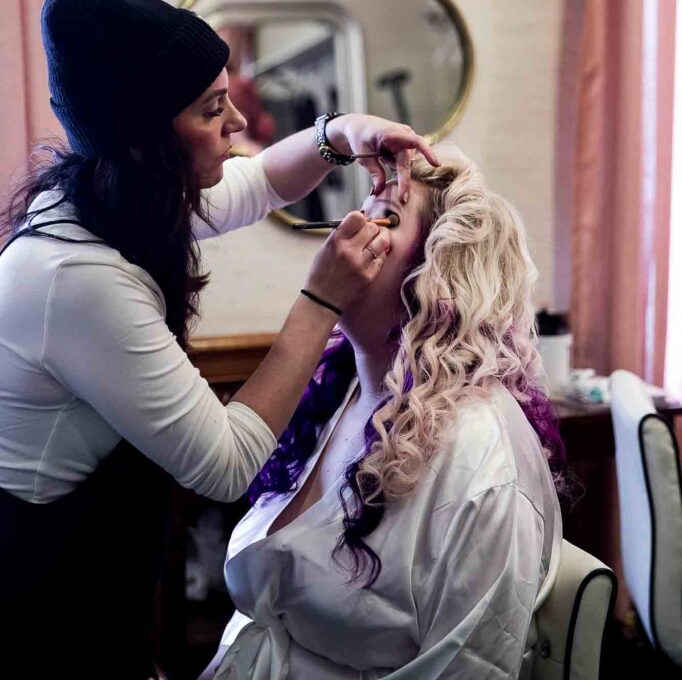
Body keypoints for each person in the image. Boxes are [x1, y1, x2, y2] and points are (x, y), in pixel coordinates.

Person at [0, 0, 438, 680]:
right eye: (211, 110)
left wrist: (340, 133)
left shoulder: (120, 194)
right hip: (41, 593)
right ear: (145, 137)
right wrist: (320, 300)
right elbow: (227, 463)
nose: (238, 121)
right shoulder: (72, 276)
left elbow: (261, 182)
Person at [201, 146, 564, 680]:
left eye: (386, 219)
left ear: (437, 274)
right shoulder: (340, 394)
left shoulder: (479, 454)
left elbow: (470, 667)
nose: (352, 228)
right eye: (362, 209)